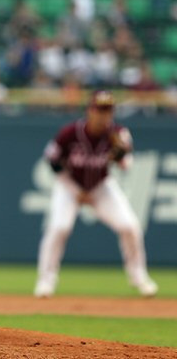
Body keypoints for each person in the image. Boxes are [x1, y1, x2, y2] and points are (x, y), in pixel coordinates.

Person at [34, 90, 158, 298]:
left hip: (101, 187)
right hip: (69, 186)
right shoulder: (70, 133)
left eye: (107, 110)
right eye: (99, 110)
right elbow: (53, 162)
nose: (103, 115)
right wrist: (75, 190)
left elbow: (127, 165)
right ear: (90, 110)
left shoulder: (119, 134)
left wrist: (120, 154)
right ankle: (46, 281)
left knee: (129, 226)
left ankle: (139, 276)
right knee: (59, 227)